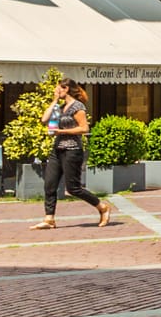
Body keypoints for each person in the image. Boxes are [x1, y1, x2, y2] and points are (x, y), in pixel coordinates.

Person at [34, 78, 112, 230]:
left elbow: (84, 129)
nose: (56, 91)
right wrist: (54, 100)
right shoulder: (60, 107)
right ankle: (49, 219)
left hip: (72, 150)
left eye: (58, 89)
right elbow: (44, 119)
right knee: (49, 184)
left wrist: (61, 131)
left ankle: (102, 207)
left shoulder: (77, 106)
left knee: (73, 188)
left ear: (66, 89)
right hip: (57, 150)